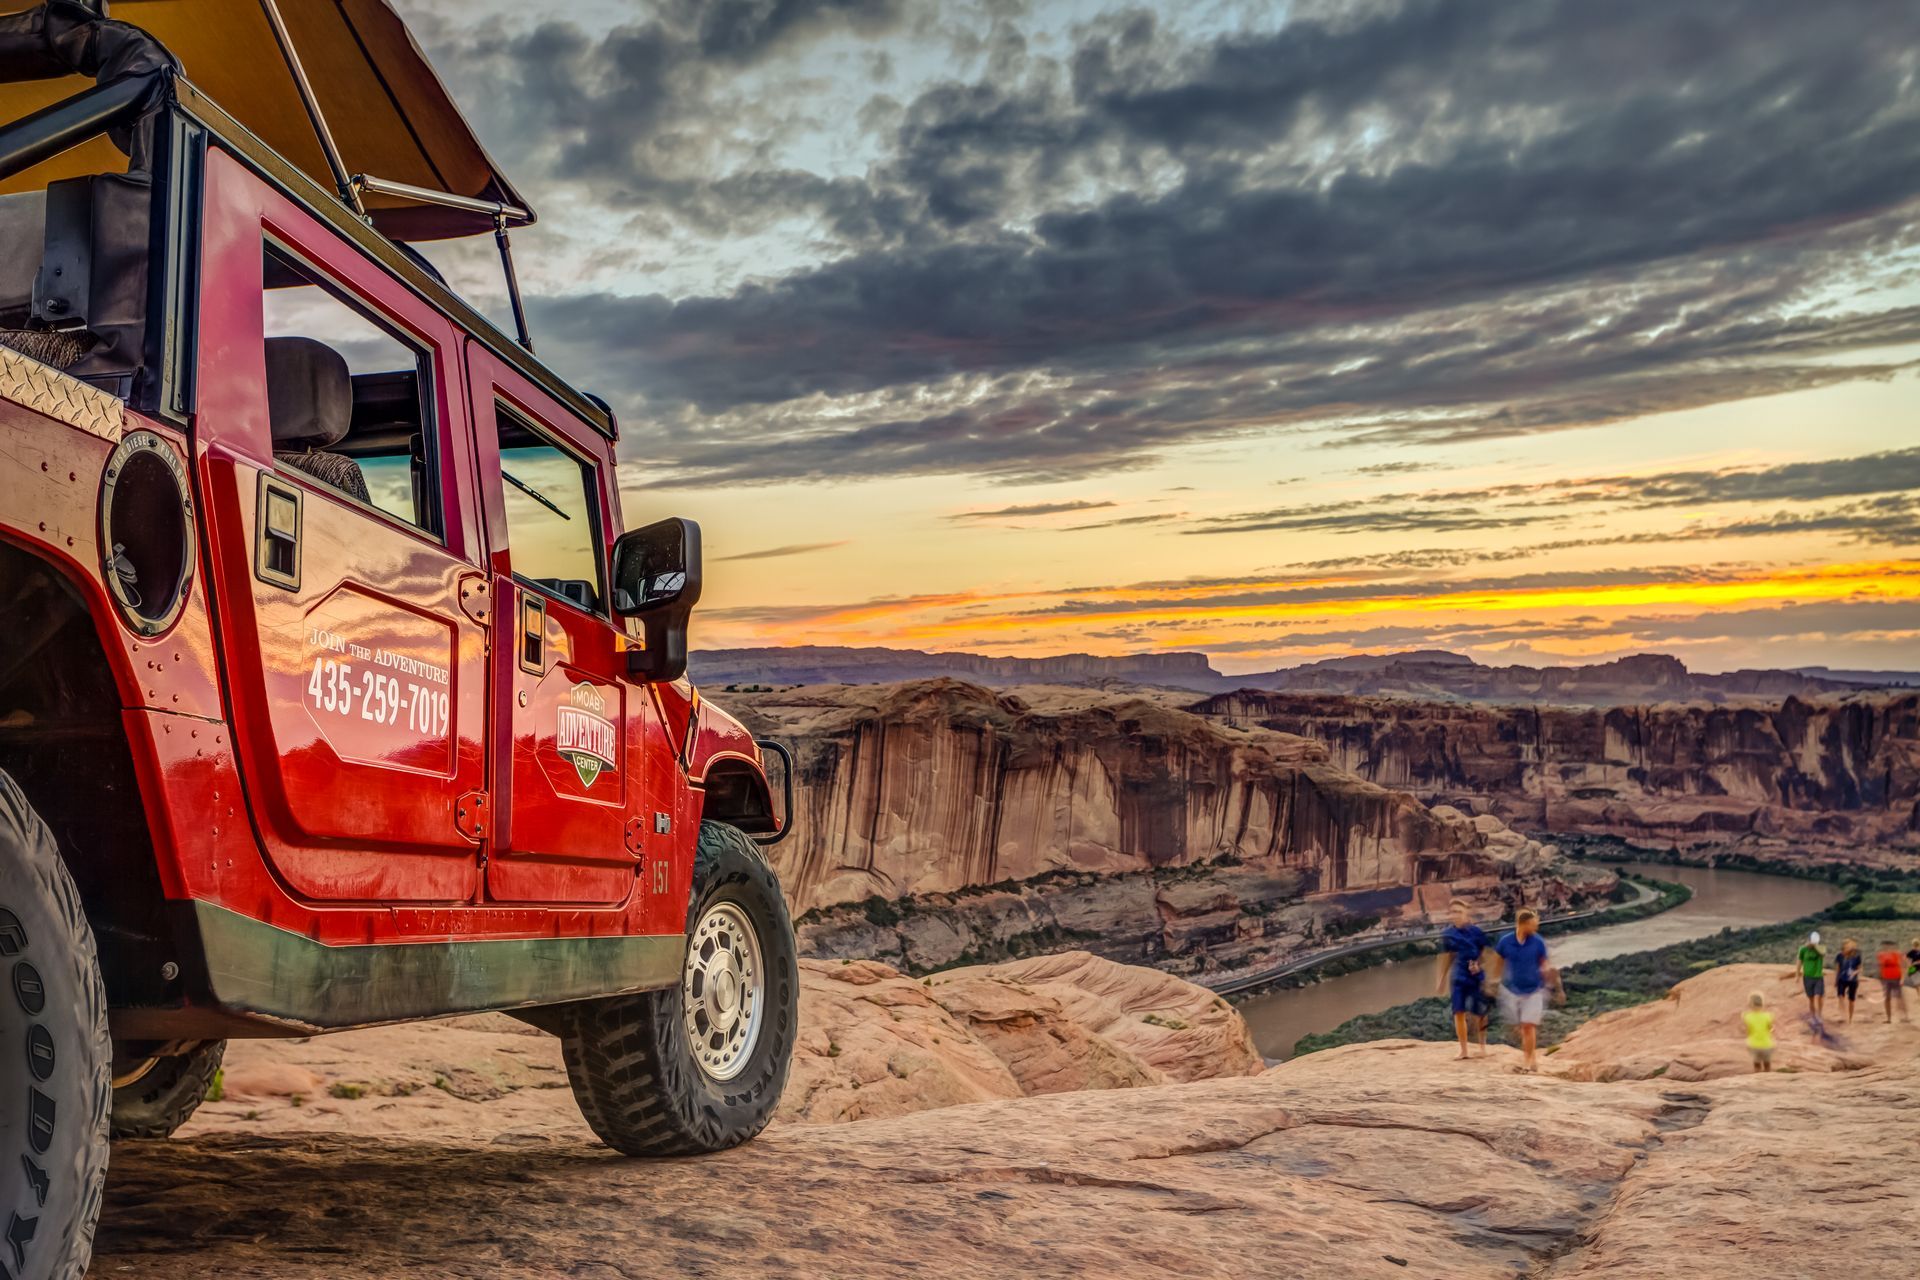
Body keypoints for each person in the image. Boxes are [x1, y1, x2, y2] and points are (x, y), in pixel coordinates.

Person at [1487, 907, 1552, 1074]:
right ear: (1522, 924)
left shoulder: (1538, 942)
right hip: (1511, 990)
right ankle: (1531, 1056)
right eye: (1533, 924)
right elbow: (1498, 961)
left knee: (1528, 1026)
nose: (1536, 927)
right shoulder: (1506, 941)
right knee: (1519, 1027)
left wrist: (1552, 982)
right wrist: (1494, 981)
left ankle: (1528, 1061)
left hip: (1534, 990)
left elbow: (1544, 963)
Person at [1434, 899, 1491, 1060]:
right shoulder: (1448, 934)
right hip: (1458, 976)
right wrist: (1441, 979)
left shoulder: (1477, 932)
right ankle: (1463, 1050)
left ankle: (1482, 1046)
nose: (1455, 915)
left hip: (1476, 975)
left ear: (1466, 913)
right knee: (1458, 1012)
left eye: (1459, 912)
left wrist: (1478, 965)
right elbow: (1446, 957)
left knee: (1481, 1012)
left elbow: (1486, 954)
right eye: (1453, 912)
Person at [1785, 930, 1825, 1019]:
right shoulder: (1803, 949)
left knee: (1819, 996)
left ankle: (1820, 1014)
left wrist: (1814, 946)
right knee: (1811, 998)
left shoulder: (1821, 948)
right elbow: (1799, 961)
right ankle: (1813, 1015)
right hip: (1807, 977)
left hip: (1818, 976)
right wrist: (1797, 975)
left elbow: (1823, 953)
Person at [1876, 940, 1910, 1024]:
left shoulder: (1897, 954)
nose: (1887, 948)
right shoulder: (1881, 955)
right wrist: (1880, 978)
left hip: (1896, 978)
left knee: (1899, 998)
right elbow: (1880, 967)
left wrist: (1902, 978)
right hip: (1886, 979)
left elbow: (1905, 964)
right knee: (1887, 998)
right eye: (1885, 946)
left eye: (1888, 946)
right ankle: (1889, 1018)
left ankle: (1905, 1016)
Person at [1742, 991, 1775, 1073]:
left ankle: (1758, 1080)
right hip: (1767, 1045)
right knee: (1767, 1066)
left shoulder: (1747, 1016)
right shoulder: (1768, 1016)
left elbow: (1747, 1031)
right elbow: (1771, 1028)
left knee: (1757, 1066)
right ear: (1762, 1004)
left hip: (1754, 1045)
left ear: (1750, 1004)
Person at [1834, 939, 1862, 1024]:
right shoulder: (1839, 956)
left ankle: (1850, 1018)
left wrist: (1855, 973)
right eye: (1846, 946)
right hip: (1842, 979)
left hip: (1852, 980)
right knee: (1840, 996)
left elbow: (1860, 968)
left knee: (1851, 1000)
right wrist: (1836, 979)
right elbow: (1838, 968)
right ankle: (1844, 1015)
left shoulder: (1857, 956)